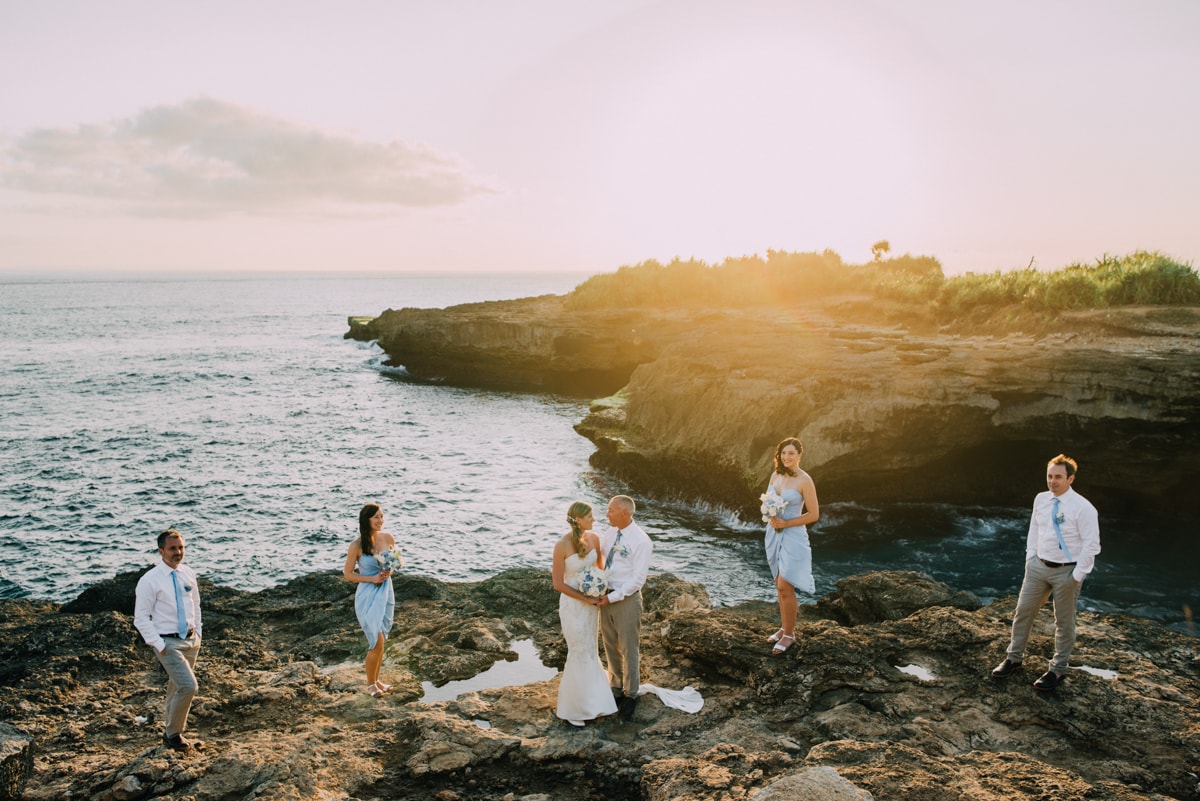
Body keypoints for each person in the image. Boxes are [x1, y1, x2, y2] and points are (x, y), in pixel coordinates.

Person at [992, 454, 1101, 691]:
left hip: (1066, 572)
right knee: (1023, 611)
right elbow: (1034, 528)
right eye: (1050, 476)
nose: (1053, 481)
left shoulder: (1083, 508)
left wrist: (1076, 576)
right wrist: (1030, 557)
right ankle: (1014, 658)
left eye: (1058, 477)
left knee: (1063, 622)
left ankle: (1058, 670)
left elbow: (1092, 545)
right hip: (1038, 567)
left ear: (1070, 479)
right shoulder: (1041, 499)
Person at [133, 529, 204, 752]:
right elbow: (140, 618)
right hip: (168, 642)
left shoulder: (188, 573)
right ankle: (173, 734)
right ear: (161, 551)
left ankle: (171, 731)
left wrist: (198, 633)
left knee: (176, 687)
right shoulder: (150, 580)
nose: (178, 552)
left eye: (181, 547)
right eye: (172, 548)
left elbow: (196, 605)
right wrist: (159, 644)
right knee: (188, 686)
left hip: (191, 640)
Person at [552, 501, 619, 726]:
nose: (594, 520)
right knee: (578, 649)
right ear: (578, 519)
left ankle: (596, 702)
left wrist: (599, 589)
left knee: (590, 649)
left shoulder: (595, 539)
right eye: (590, 516)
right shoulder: (561, 545)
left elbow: (599, 570)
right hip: (573, 606)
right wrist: (586, 598)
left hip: (591, 606)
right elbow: (558, 584)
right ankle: (574, 709)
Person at [762, 437, 820, 655]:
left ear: (799, 456)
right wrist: (771, 516)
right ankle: (784, 628)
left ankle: (789, 635)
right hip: (773, 533)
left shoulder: (805, 480)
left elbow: (814, 514)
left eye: (791, 454)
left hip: (793, 535)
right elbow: (768, 501)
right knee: (779, 583)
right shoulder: (775, 475)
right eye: (783, 453)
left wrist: (786, 523)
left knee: (786, 585)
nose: (786, 457)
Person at [597, 494, 653, 719]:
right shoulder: (610, 533)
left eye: (610, 510)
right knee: (609, 643)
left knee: (628, 647)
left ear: (625, 513)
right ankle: (616, 687)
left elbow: (638, 579)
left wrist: (613, 597)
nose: (607, 514)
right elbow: (599, 559)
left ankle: (631, 695)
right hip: (605, 596)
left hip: (626, 599)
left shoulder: (641, 541)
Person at [343, 503, 398, 697]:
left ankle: (376, 680)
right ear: (366, 520)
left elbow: (393, 562)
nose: (380, 520)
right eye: (376, 517)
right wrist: (372, 578)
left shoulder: (388, 538)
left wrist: (388, 571)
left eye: (382, 516)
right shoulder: (357, 545)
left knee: (382, 638)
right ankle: (370, 685)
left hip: (386, 591)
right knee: (376, 640)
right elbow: (348, 575)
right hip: (368, 593)